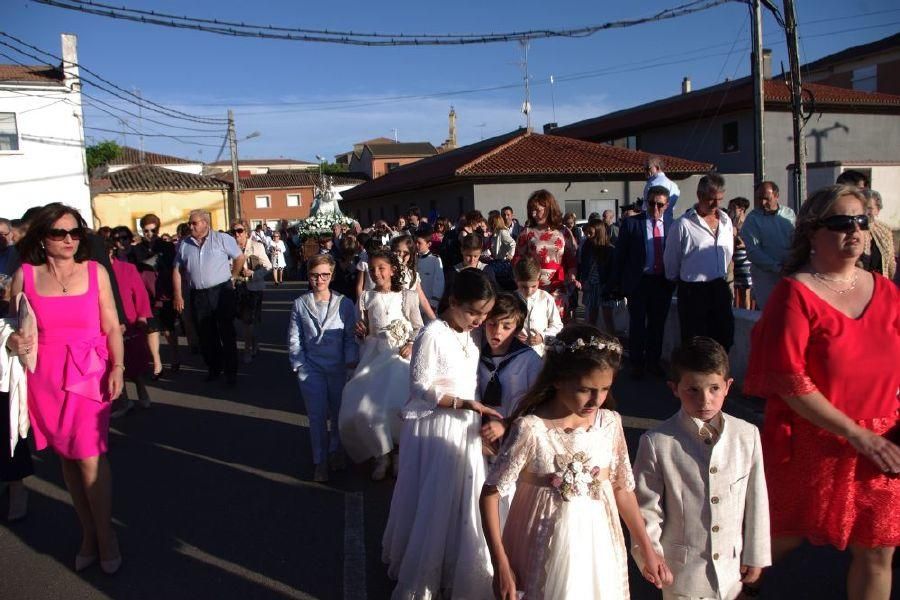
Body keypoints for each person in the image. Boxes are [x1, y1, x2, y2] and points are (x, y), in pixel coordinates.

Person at [744, 184, 900, 600]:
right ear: (813, 232)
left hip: (882, 443)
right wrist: (854, 432)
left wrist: (878, 431)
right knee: (775, 541)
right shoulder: (795, 294)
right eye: (841, 222)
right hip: (814, 442)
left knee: (877, 550)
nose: (855, 230)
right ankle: (727, 589)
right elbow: (790, 380)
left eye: (861, 221)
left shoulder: (885, 291)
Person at [480, 325, 672, 599]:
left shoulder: (610, 424)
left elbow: (622, 489)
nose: (596, 400)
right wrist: (500, 563)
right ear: (557, 380)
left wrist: (647, 549)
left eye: (605, 389)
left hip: (598, 546)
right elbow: (490, 494)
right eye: (585, 389)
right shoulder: (532, 428)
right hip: (542, 546)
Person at [7, 204, 124, 574]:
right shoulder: (24, 276)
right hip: (45, 377)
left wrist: (118, 366)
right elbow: (11, 325)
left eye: (76, 233)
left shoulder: (95, 271)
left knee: (90, 454)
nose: (70, 240)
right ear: (43, 238)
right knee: (67, 458)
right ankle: (88, 532)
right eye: (60, 233)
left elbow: (112, 325)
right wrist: (12, 341)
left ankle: (105, 536)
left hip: (90, 372)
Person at [382, 268, 501, 599]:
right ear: (453, 301)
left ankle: (459, 564)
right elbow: (420, 385)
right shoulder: (432, 334)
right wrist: (462, 403)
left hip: (467, 422)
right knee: (437, 499)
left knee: (467, 497)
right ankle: (427, 571)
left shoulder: (470, 333)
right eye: (474, 312)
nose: (479, 320)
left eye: (485, 313)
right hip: (438, 423)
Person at [633, 337, 771, 600]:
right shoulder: (657, 442)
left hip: (731, 572)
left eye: (714, 388)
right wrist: (651, 556)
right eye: (693, 390)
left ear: (728, 386)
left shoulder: (747, 435)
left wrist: (757, 554)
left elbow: (757, 499)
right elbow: (647, 509)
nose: (705, 400)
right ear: (674, 388)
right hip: (682, 574)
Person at [340, 250, 423, 480]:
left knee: (397, 405)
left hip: (399, 357)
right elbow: (364, 327)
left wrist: (411, 343)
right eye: (373, 269)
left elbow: (418, 326)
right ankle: (381, 453)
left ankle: (398, 452)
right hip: (374, 356)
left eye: (381, 268)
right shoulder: (366, 297)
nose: (376, 273)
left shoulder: (407, 296)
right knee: (368, 406)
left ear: (392, 270)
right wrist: (361, 332)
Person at [288, 254, 358, 483]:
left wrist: (350, 362)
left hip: (338, 368)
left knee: (338, 413)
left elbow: (349, 337)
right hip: (312, 369)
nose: (319, 280)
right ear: (308, 276)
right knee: (317, 416)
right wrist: (299, 366)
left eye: (325, 275)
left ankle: (336, 450)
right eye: (315, 275)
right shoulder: (300, 304)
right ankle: (320, 461)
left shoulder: (344, 304)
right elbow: (295, 338)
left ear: (332, 275)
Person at [173, 209, 246, 385]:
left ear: (206, 223)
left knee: (226, 332)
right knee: (206, 334)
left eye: (194, 223)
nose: (190, 226)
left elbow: (239, 257)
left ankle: (231, 372)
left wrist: (234, 277)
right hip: (198, 294)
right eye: (190, 223)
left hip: (221, 291)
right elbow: (176, 269)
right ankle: (214, 368)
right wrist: (178, 295)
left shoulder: (222, 240)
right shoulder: (185, 244)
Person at [664, 173, 735, 351]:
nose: (716, 204)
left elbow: (728, 253)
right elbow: (671, 262)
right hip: (693, 291)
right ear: (700, 195)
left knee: (724, 339)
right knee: (695, 345)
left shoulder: (726, 222)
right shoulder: (683, 225)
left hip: (719, 287)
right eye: (711, 199)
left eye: (720, 199)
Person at [610, 186, 675, 378]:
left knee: (657, 324)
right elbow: (620, 256)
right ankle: (637, 363)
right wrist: (616, 283)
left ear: (667, 205)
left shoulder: (672, 225)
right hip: (639, 282)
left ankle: (653, 361)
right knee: (637, 324)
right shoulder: (632, 224)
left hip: (662, 282)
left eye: (660, 205)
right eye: (651, 203)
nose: (655, 208)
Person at [512, 189, 578, 321]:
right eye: (532, 210)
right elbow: (517, 261)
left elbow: (571, 258)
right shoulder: (527, 233)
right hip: (533, 285)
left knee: (557, 323)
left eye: (538, 210)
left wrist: (572, 274)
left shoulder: (563, 232)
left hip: (558, 285)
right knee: (536, 321)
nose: (534, 214)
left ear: (549, 208)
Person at [108, 232, 152, 417]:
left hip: (130, 321)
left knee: (134, 361)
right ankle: (124, 401)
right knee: (114, 362)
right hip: (108, 324)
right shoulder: (92, 272)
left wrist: (142, 316)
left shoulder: (127, 269)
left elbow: (140, 294)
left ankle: (142, 391)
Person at [130, 213, 179, 379]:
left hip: (164, 293)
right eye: (146, 231)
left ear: (158, 230)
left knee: (168, 329)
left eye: (153, 230)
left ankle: (174, 356)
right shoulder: (136, 249)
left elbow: (174, 269)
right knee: (151, 329)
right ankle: (157, 363)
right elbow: (134, 269)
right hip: (145, 294)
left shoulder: (167, 247)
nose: (149, 234)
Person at [741, 181, 796, 309]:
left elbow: (796, 241)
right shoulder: (752, 220)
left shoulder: (789, 215)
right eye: (760, 198)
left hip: (789, 273)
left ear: (776, 196)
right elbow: (753, 252)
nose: (763, 203)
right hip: (766, 277)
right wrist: (777, 268)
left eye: (767, 199)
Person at [231, 220, 272, 365]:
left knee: (249, 321)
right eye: (234, 231)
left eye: (240, 231)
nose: (237, 234)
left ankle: (247, 349)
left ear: (246, 232)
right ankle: (254, 344)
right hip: (237, 288)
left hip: (253, 288)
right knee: (246, 321)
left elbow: (268, 266)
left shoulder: (257, 246)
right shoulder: (230, 249)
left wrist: (253, 273)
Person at [513, 257, 563, 357]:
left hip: (541, 353)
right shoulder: (511, 300)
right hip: (516, 353)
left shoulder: (546, 298)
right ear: (516, 280)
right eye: (524, 287)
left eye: (533, 286)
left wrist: (542, 337)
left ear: (539, 279)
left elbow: (557, 325)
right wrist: (512, 334)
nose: (529, 291)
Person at [579, 216, 616, 335]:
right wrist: (583, 281)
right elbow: (583, 265)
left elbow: (612, 271)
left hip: (604, 285)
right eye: (587, 233)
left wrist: (611, 287)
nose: (588, 236)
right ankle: (591, 342)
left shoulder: (609, 250)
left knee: (607, 317)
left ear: (599, 232)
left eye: (591, 233)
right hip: (591, 284)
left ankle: (613, 343)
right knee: (591, 316)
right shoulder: (587, 247)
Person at [391, 234, 436, 321]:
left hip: (407, 318)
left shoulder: (412, 275)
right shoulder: (388, 272)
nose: (400, 255)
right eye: (398, 251)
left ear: (411, 255)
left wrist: (435, 320)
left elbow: (422, 299)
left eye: (405, 252)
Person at [860, 189, 896, 280]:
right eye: (862, 207)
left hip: (881, 283)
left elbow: (891, 262)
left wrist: (890, 283)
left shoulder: (885, 230)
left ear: (878, 210)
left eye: (869, 208)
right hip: (859, 283)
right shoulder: (852, 229)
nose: (865, 212)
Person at [728, 196, 754, 310]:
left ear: (741, 209)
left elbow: (752, 242)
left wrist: (742, 243)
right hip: (734, 261)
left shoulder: (748, 224)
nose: (730, 211)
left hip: (745, 261)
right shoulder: (730, 224)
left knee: (745, 292)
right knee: (735, 290)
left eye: (733, 208)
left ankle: (746, 314)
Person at [413, 229, 444, 315]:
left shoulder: (435, 259)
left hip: (429, 303)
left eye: (419, 243)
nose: (416, 245)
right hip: (415, 303)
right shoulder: (413, 258)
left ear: (429, 244)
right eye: (415, 242)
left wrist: (434, 303)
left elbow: (439, 281)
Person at [643, 156, 681, 224]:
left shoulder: (652, 184)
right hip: (669, 221)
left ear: (657, 168)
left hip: (652, 221)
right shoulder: (674, 185)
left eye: (648, 168)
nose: (645, 171)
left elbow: (646, 208)